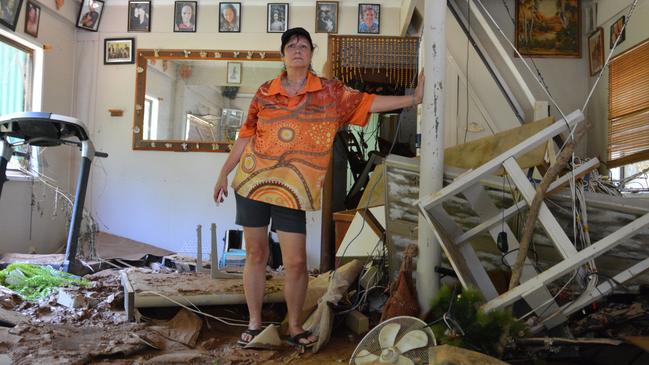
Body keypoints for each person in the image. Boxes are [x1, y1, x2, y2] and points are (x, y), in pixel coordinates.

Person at [213, 27, 424, 348]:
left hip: (294, 190)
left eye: (303, 45)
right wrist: (224, 172)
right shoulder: (265, 92)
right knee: (256, 253)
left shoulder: (330, 93)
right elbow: (245, 135)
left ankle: (295, 326)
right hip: (252, 182)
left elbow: (367, 102)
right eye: (291, 45)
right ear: (283, 54)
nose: (297, 49)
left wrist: (414, 99)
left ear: (311, 53)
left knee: (295, 261)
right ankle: (255, 322)